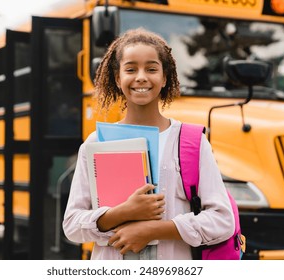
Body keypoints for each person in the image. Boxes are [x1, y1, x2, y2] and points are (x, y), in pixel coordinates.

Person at [63, 28, 234, 260]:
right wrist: (120, 213)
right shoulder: (96, 143)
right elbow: (72, 225)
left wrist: (155, 229)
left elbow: (223, 220)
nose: (141, 77)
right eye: (131, 69)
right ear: (117, 78)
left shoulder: (191, 141)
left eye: (151, 69)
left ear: (164, 78)